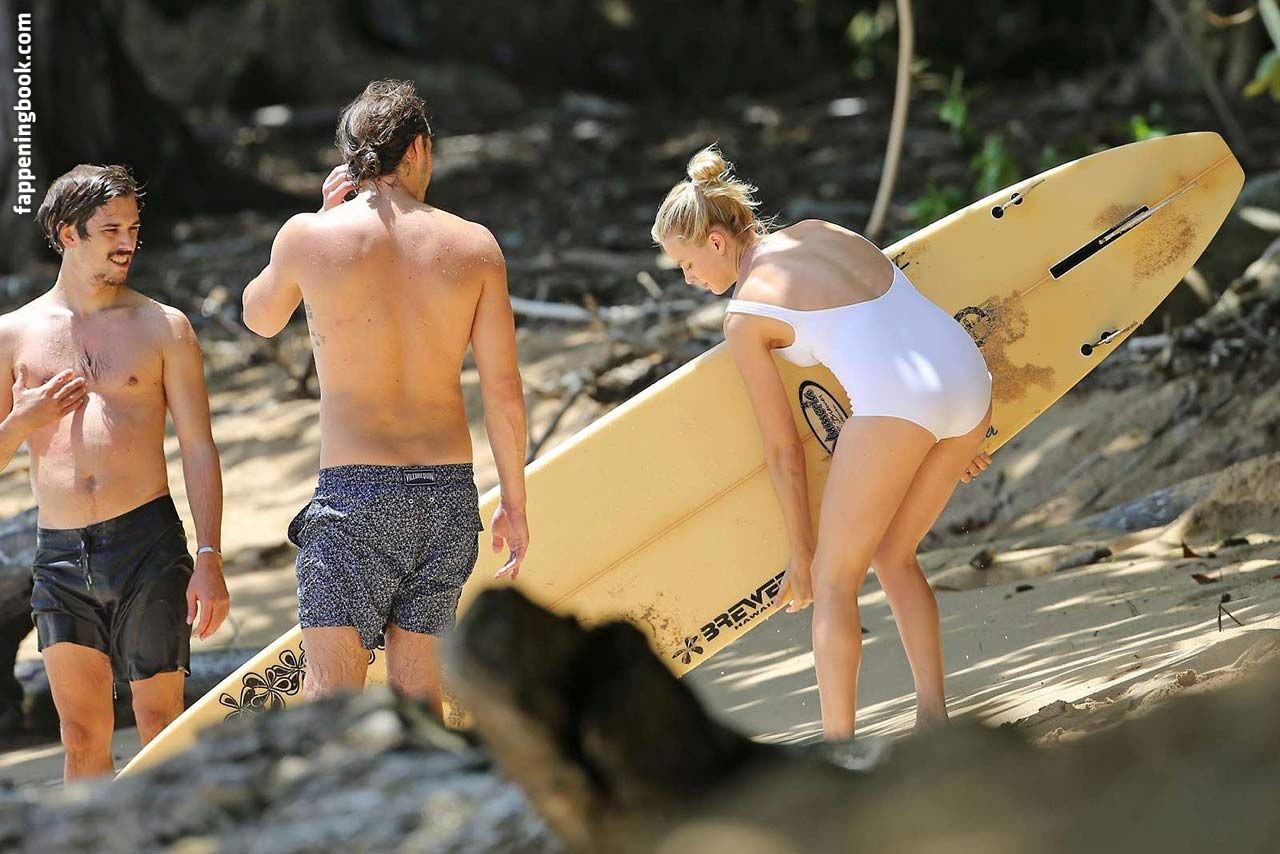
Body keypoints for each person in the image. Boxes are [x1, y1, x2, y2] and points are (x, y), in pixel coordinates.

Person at [652, 146, 993, 740]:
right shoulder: (819, 231)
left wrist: (801, 552)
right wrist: (957, 432)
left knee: (835, 581)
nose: (689, 279)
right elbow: (890, 326)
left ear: (716, 241)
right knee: (893, 554)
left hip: (901, 403)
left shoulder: (745, 317)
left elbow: (784, 449)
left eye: (686, 264)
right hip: (969, 382)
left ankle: (839, 749)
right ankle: (935, 723)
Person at [242, 80, 530, 716]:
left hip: (354, 496)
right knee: (421, 701)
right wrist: (513, 502)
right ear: (418, 149)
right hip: (447, 498)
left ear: (351, 159)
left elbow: (259, 317)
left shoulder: (309, 237)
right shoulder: (475, 247)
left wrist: (317, 221)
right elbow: (504, 392)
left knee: (332, 703)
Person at [0, 164, 229, 779]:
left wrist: (209, 555)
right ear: (66, 233)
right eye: (110, 230)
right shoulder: (13, 334)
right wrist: (22, 421)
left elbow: (199, 447)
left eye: (133, 228)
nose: (127, 242)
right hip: (59, 555)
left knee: (159, 725)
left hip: (146, 544)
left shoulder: (164, 327)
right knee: (80, 735)